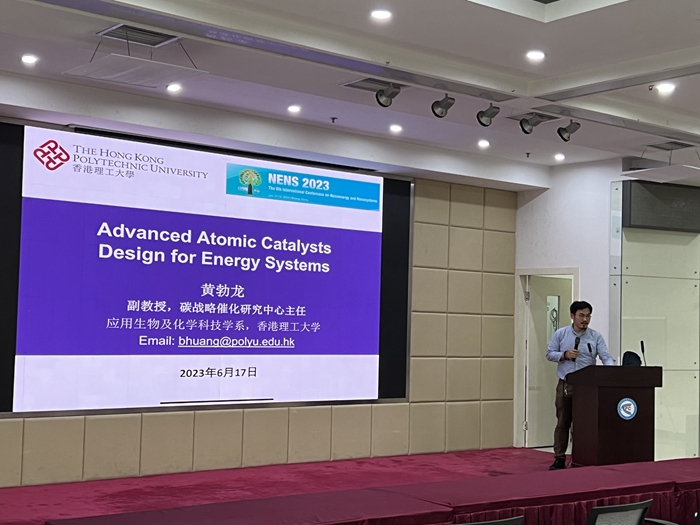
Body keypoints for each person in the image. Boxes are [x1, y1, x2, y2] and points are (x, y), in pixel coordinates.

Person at [546, 300, 614, 470]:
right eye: (581, 315)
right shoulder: (561, 334)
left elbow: (605, 356)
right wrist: (564, 355)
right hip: (566, 384)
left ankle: (581, 456)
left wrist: (612, 371)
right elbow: (549, 353)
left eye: (588, 316)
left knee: (584, 423)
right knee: (563, 422)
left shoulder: (595, 336)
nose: (585, 319)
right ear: (572, 316)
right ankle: (559, 458)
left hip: (587, 387)